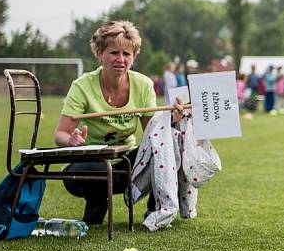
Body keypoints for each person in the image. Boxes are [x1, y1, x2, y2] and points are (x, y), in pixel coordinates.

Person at [54, 20, 187, 225]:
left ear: (133, 57)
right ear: (99, 53)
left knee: (166, 151)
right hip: (92, 162)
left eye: (127, 54)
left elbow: (155, 134)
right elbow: (60, 134)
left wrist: (174, 120)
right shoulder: (81, 86)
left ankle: (157, 211)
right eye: (114, 52)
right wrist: (71, 141)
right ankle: (96, 211)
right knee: (96, 170)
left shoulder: (143, 85)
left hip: (127, 162)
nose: (121, 59)